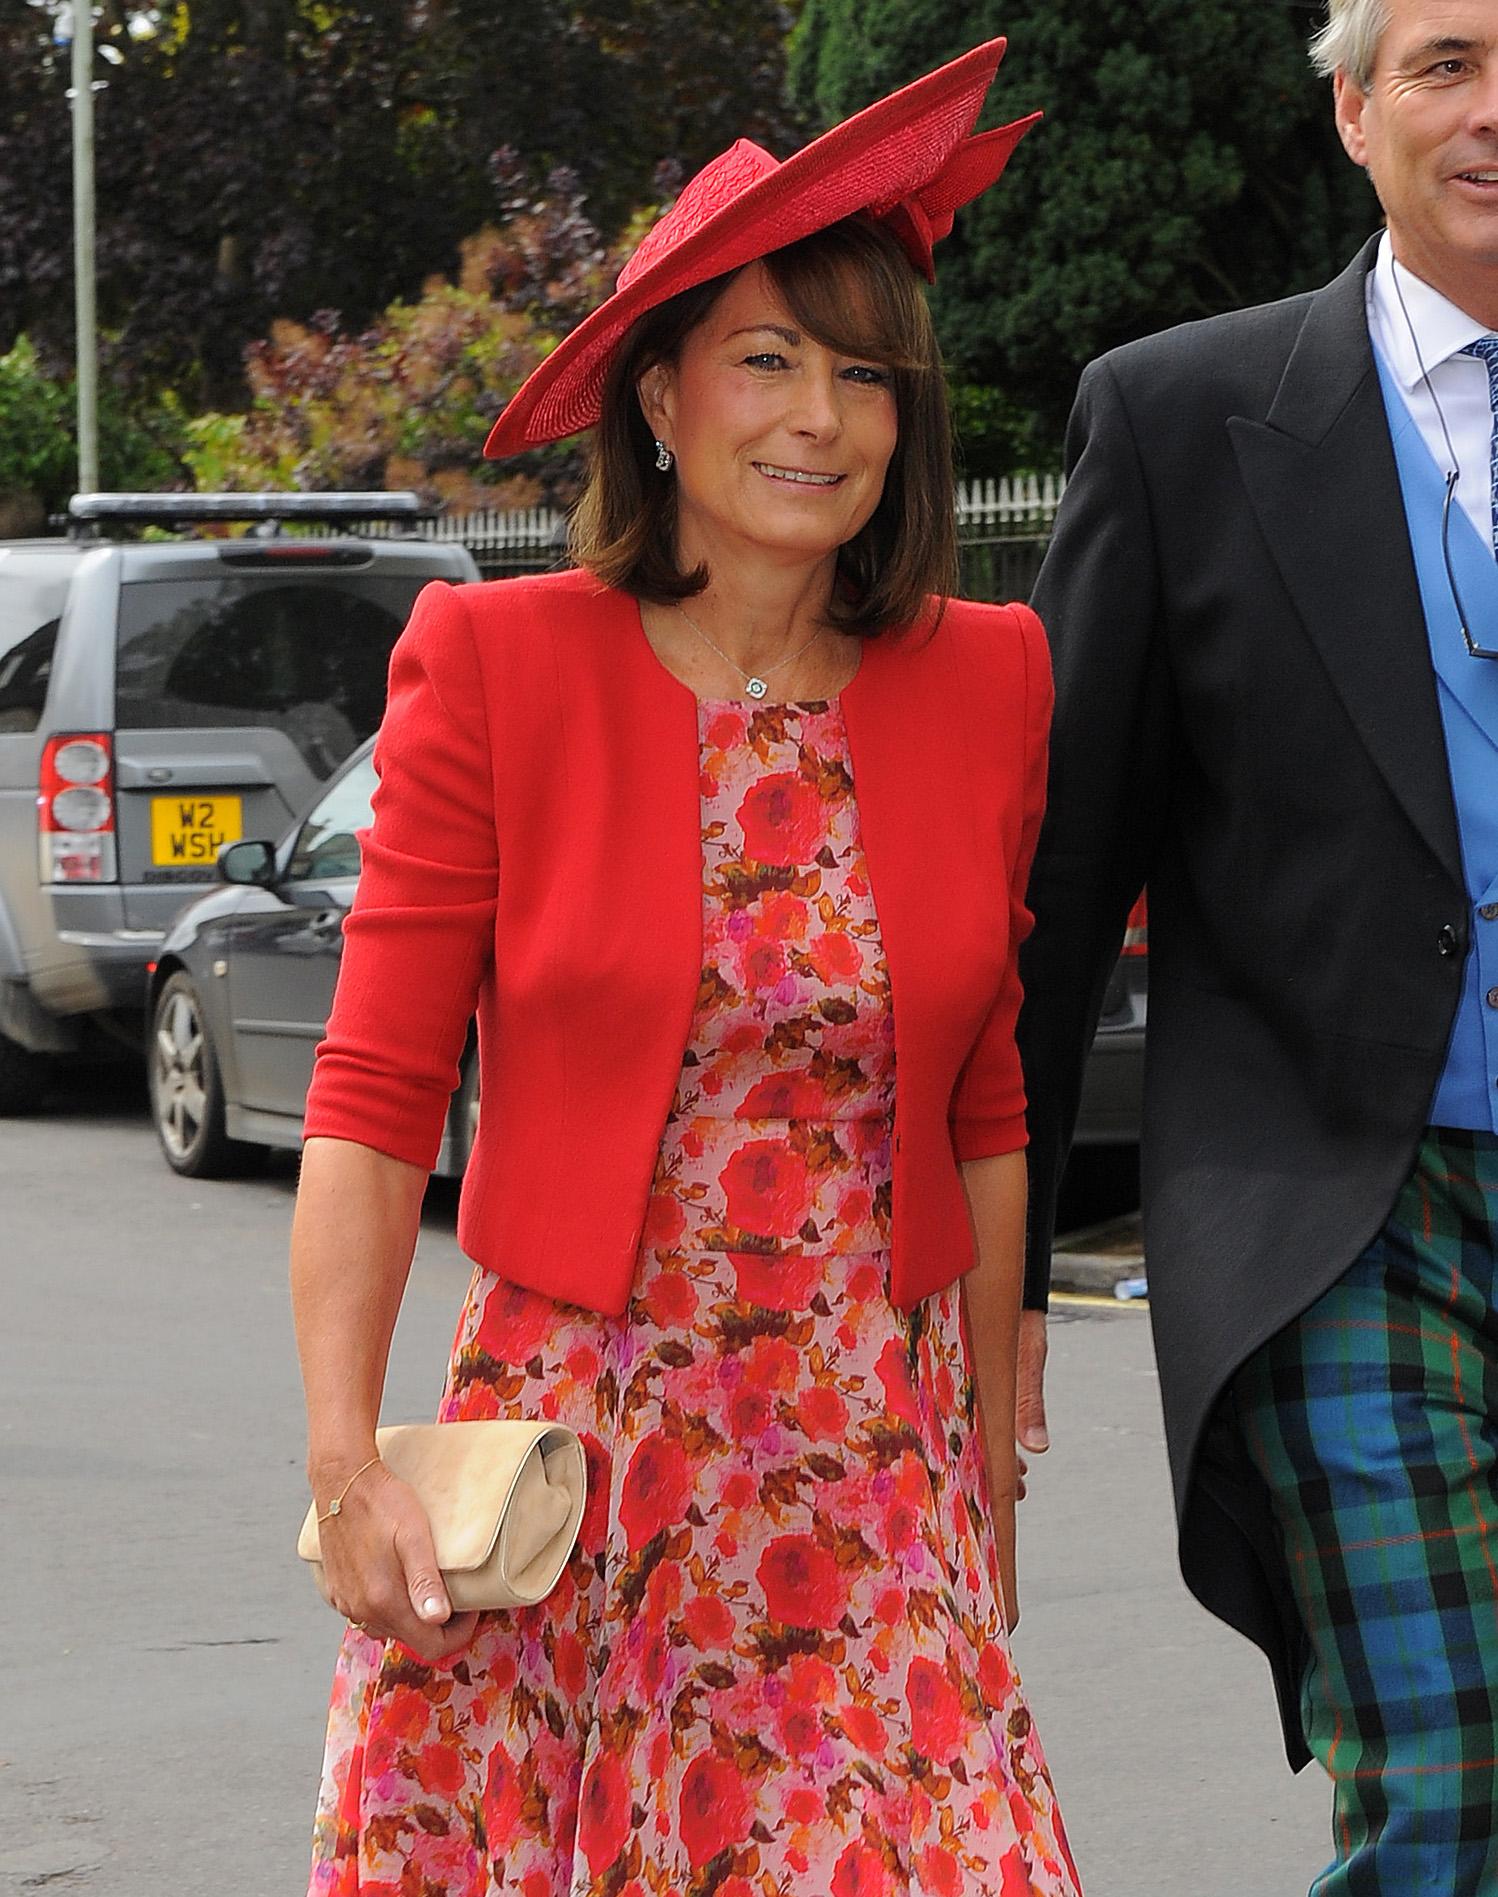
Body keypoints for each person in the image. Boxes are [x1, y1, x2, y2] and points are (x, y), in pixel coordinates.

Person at [292, 40, 1081, 1897]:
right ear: (658, 398)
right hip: (578, 1475)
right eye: (767, 358)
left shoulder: (993, 678)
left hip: (870, 1486)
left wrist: (981, 1488)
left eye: (867, 371)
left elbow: (985, 1103)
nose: (822, 415)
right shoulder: (499, 664)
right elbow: (378, 1088)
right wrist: (346, 1461)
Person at [1018, 0, 1498, 1890]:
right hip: (1341, 1214)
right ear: (1351, 111)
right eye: (1447, 62)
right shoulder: (1179, 418)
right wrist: (987, 1273)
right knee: (1448, 1774)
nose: (1492, 111)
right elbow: (1054, 891)